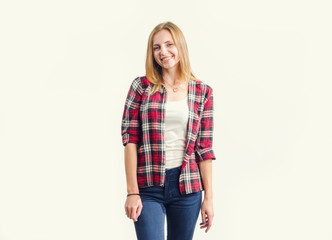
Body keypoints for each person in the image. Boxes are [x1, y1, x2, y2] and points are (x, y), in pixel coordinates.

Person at [121, 21, 216, 240]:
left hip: (188, 187)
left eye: (169, 44)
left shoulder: (203, 92)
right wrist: (132, 191)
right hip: (148, 185)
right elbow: (130, 140)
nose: (163, 52)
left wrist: (208, 198)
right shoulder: (141, 87)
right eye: (156, 47)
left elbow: (204, 149)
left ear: (180, 46)